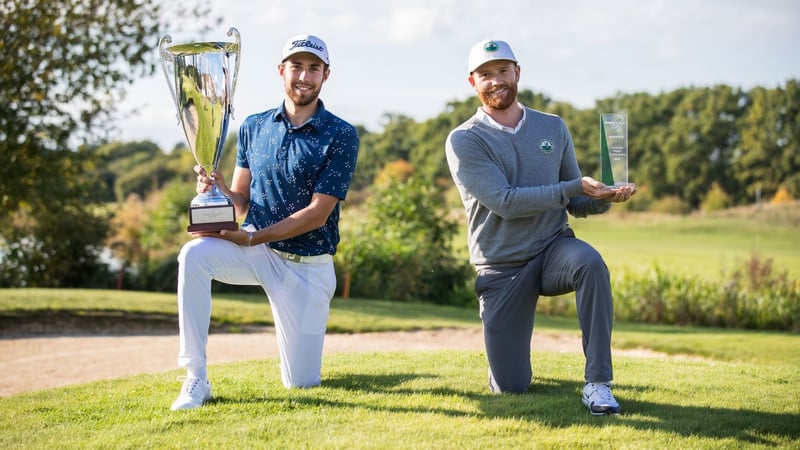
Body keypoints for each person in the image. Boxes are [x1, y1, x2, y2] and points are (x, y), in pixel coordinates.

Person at [445, 39, 636, 415]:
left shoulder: (552, 126)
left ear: (518, 72)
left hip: (553, 249)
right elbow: (506, 202)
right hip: (502, 266)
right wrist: (575, 186)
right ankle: (503, 365)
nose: (495, 81)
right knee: (511, 386)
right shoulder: (465, 139)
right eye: (486, 74)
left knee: (590, 263)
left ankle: (598, 383)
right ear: (473, 83)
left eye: (503, 71)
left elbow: (575, 202)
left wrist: (603, 198)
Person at [170, 34, 360, 411]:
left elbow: (317, 214)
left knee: (301, 384)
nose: (304, 76)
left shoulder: (341, 134)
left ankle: (301, 370)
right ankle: (195, 377)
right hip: (259, 253)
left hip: (308, 268)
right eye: (296, 67)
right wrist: (220, 189)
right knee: (193, 256)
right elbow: (241, 201)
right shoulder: (255, 126)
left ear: (325, 75)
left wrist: (252, 239)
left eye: (313, 68)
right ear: (281, 71)